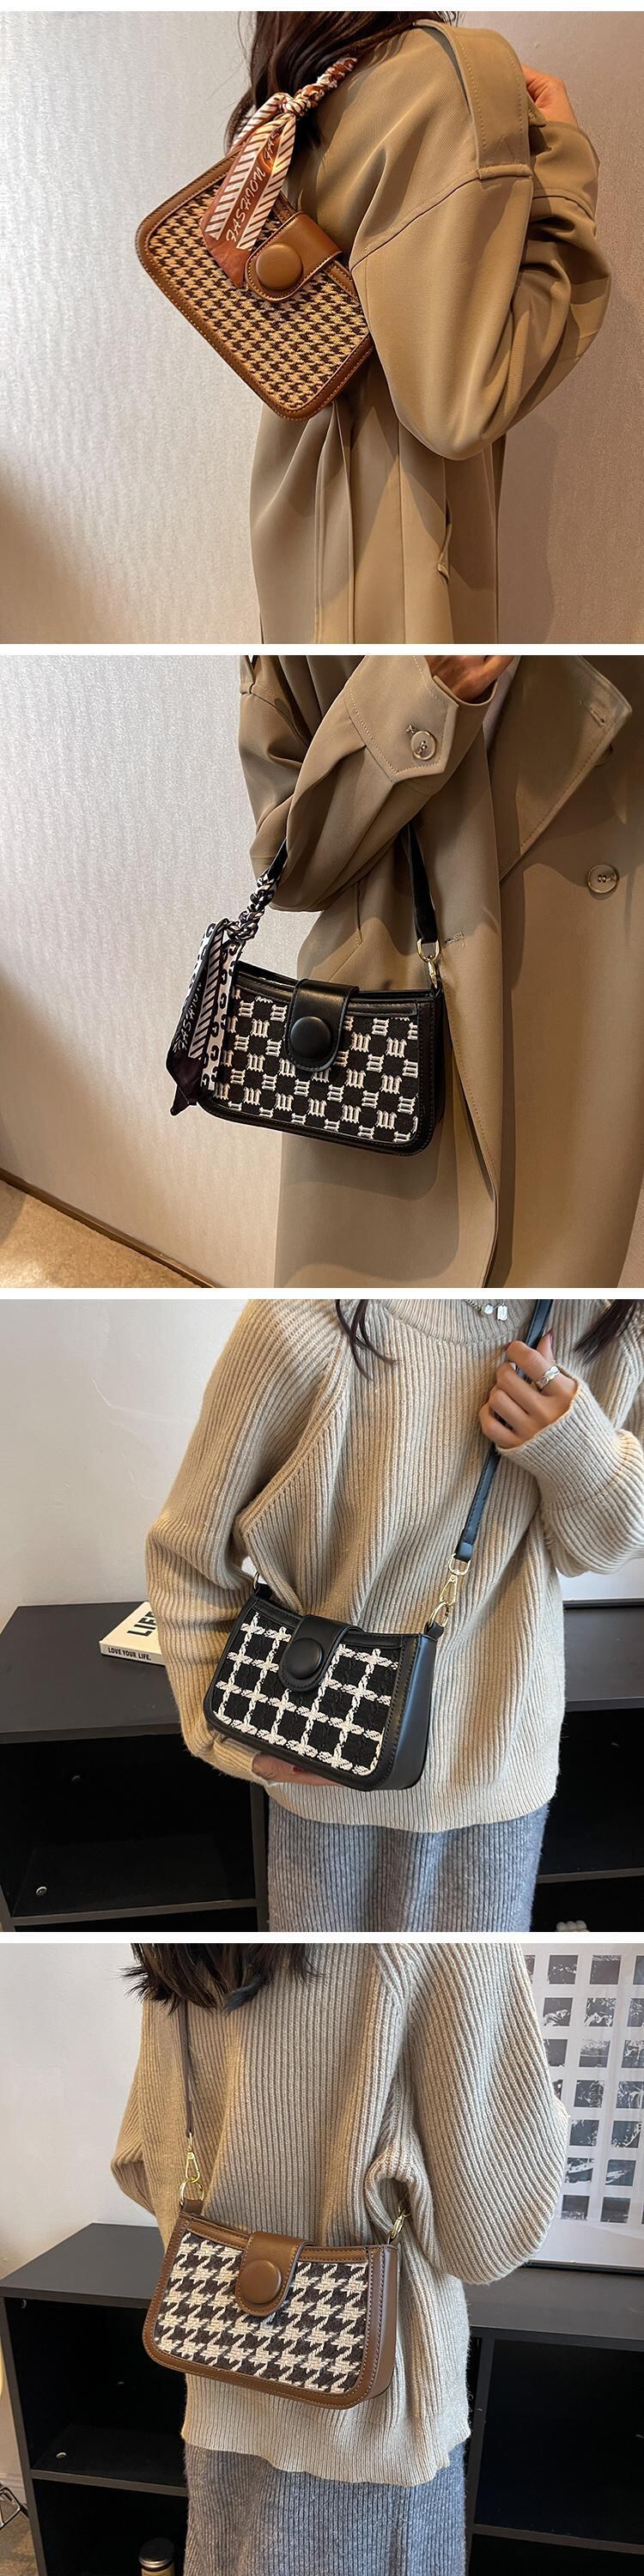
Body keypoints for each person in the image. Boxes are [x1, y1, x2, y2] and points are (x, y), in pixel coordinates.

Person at [145, 1294, 644, 1932]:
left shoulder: (617, 1328)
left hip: (499, 1781)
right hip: (324, 1775)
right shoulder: (300, 1326)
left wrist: (580, 1449)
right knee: (319, 1993)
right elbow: (188, 1557)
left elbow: (598, 1550)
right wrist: (229, 1731)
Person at [112, 1938, 567, 2576]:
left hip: (224, 2387)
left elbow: (142, 2162)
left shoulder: (182, 1954)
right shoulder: (450, 1941)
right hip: (374, 2431)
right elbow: (488, 2238)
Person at [236, 651, 644, 1288]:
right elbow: (288, 865)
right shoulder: (316, 607)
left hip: (593, 1006)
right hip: (374, 1046)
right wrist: (418, 697)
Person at [228, 14, 611, 641]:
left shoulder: (302, 101)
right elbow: (458, 408)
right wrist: (564, 165)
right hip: (399, 551)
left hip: (295, 524)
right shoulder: (440, 73)